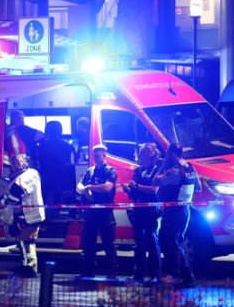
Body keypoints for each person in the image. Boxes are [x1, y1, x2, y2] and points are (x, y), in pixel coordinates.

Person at [153, 142, 201, 287]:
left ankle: (184, 276)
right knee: (173, 241)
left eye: (167, 153)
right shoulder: (190, 167)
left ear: (172, 154)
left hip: (174, 211)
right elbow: (198, 187)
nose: (166, 156)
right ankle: (176, 275)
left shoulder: (175, 171)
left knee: (171, 242)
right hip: (184, 209)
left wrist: (162, 168)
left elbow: (155, 181)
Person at [122, 143, 162, 283]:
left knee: (152, 238)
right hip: (138, 208)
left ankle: (155, 274)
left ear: (150, 156)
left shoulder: (158, 170)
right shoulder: (138, 171)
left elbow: (154, 190)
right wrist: (128, 189)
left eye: (142, 155)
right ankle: (138, 274)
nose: (139, 157)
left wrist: (137, 186)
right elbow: (134, 189)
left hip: (152, 209)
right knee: (139, 241)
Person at [76, 144, 118, 278]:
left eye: (98, 156)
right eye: (94, 156)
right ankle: (88, 271)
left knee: (108, 243)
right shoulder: (89, 171)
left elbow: (107, 187)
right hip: (90, 212)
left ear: (105, 156)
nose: (95, 158)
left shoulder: (110, 171)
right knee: (88, 242)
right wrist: (84, 189)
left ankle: (111, 272)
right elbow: (79, 186)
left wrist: (90, 187)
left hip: (105, 212)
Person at [0, 153, 44, 275]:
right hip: (32, 214)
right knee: (26, 241)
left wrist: (3, 200)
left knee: (26, 242)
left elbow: (16, 193)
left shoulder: (23, 177)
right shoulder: (32, 173)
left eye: (11, 165)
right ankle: (28, 265)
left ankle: (30, 267)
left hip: (27, 215)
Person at [37, 121, 75, 208]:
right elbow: (72, 164)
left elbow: (38, 163)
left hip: (45, 179)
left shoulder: (40, 147)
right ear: (60, 131)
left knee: (45, 202)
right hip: (63, 180)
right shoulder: (68, 146)